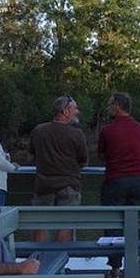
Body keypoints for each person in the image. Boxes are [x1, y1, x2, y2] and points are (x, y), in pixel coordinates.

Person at [97, 92, 140, 278]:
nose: (109, 107)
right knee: (139, 224)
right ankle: (138, 266)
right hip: (138, 180)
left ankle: (115, 270)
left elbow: (101, 153)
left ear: (118, 106)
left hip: (115, 180)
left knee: (113, 224)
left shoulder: (107, 130)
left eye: (110, 104)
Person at [29, 95, 89, 242]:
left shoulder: (38, 130)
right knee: (65, 225)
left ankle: (39, 261)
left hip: (43, 185)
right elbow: (83, 160)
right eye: (75, 108)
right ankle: (59, 261)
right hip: (69, 187)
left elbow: (31, 156)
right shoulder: (76, 134)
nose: (78, 111)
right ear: (65, 111)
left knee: (40, 225)